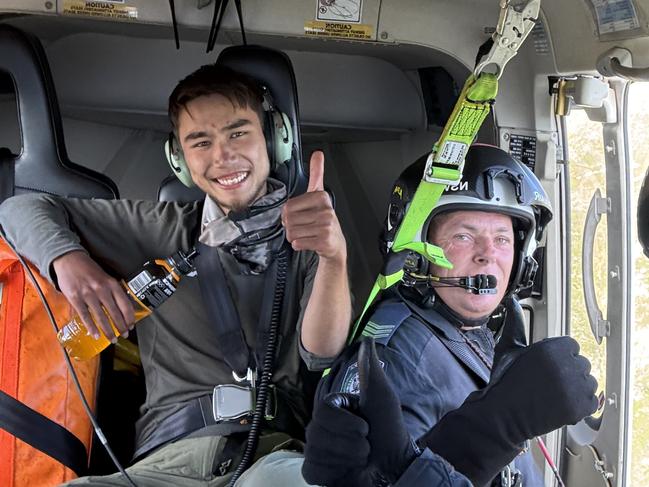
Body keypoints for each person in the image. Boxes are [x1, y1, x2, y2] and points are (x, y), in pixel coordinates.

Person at [0, 63, 351, 486]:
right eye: (200, 142)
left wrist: (334, 258)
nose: (222, 155)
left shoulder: (309, 230)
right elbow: (18, 208)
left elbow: (321, 353)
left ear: (275, 141)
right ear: (180, 159)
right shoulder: (159, 227)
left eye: (238, 132)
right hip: (165, 463)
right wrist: (69, 262)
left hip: (271, 455)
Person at [230, 144, 598, 487]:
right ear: (416, 252)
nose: (489, 255)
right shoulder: (399, 358)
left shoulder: (469, 332)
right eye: (464, 237)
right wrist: (497, 428)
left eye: (502, 238)